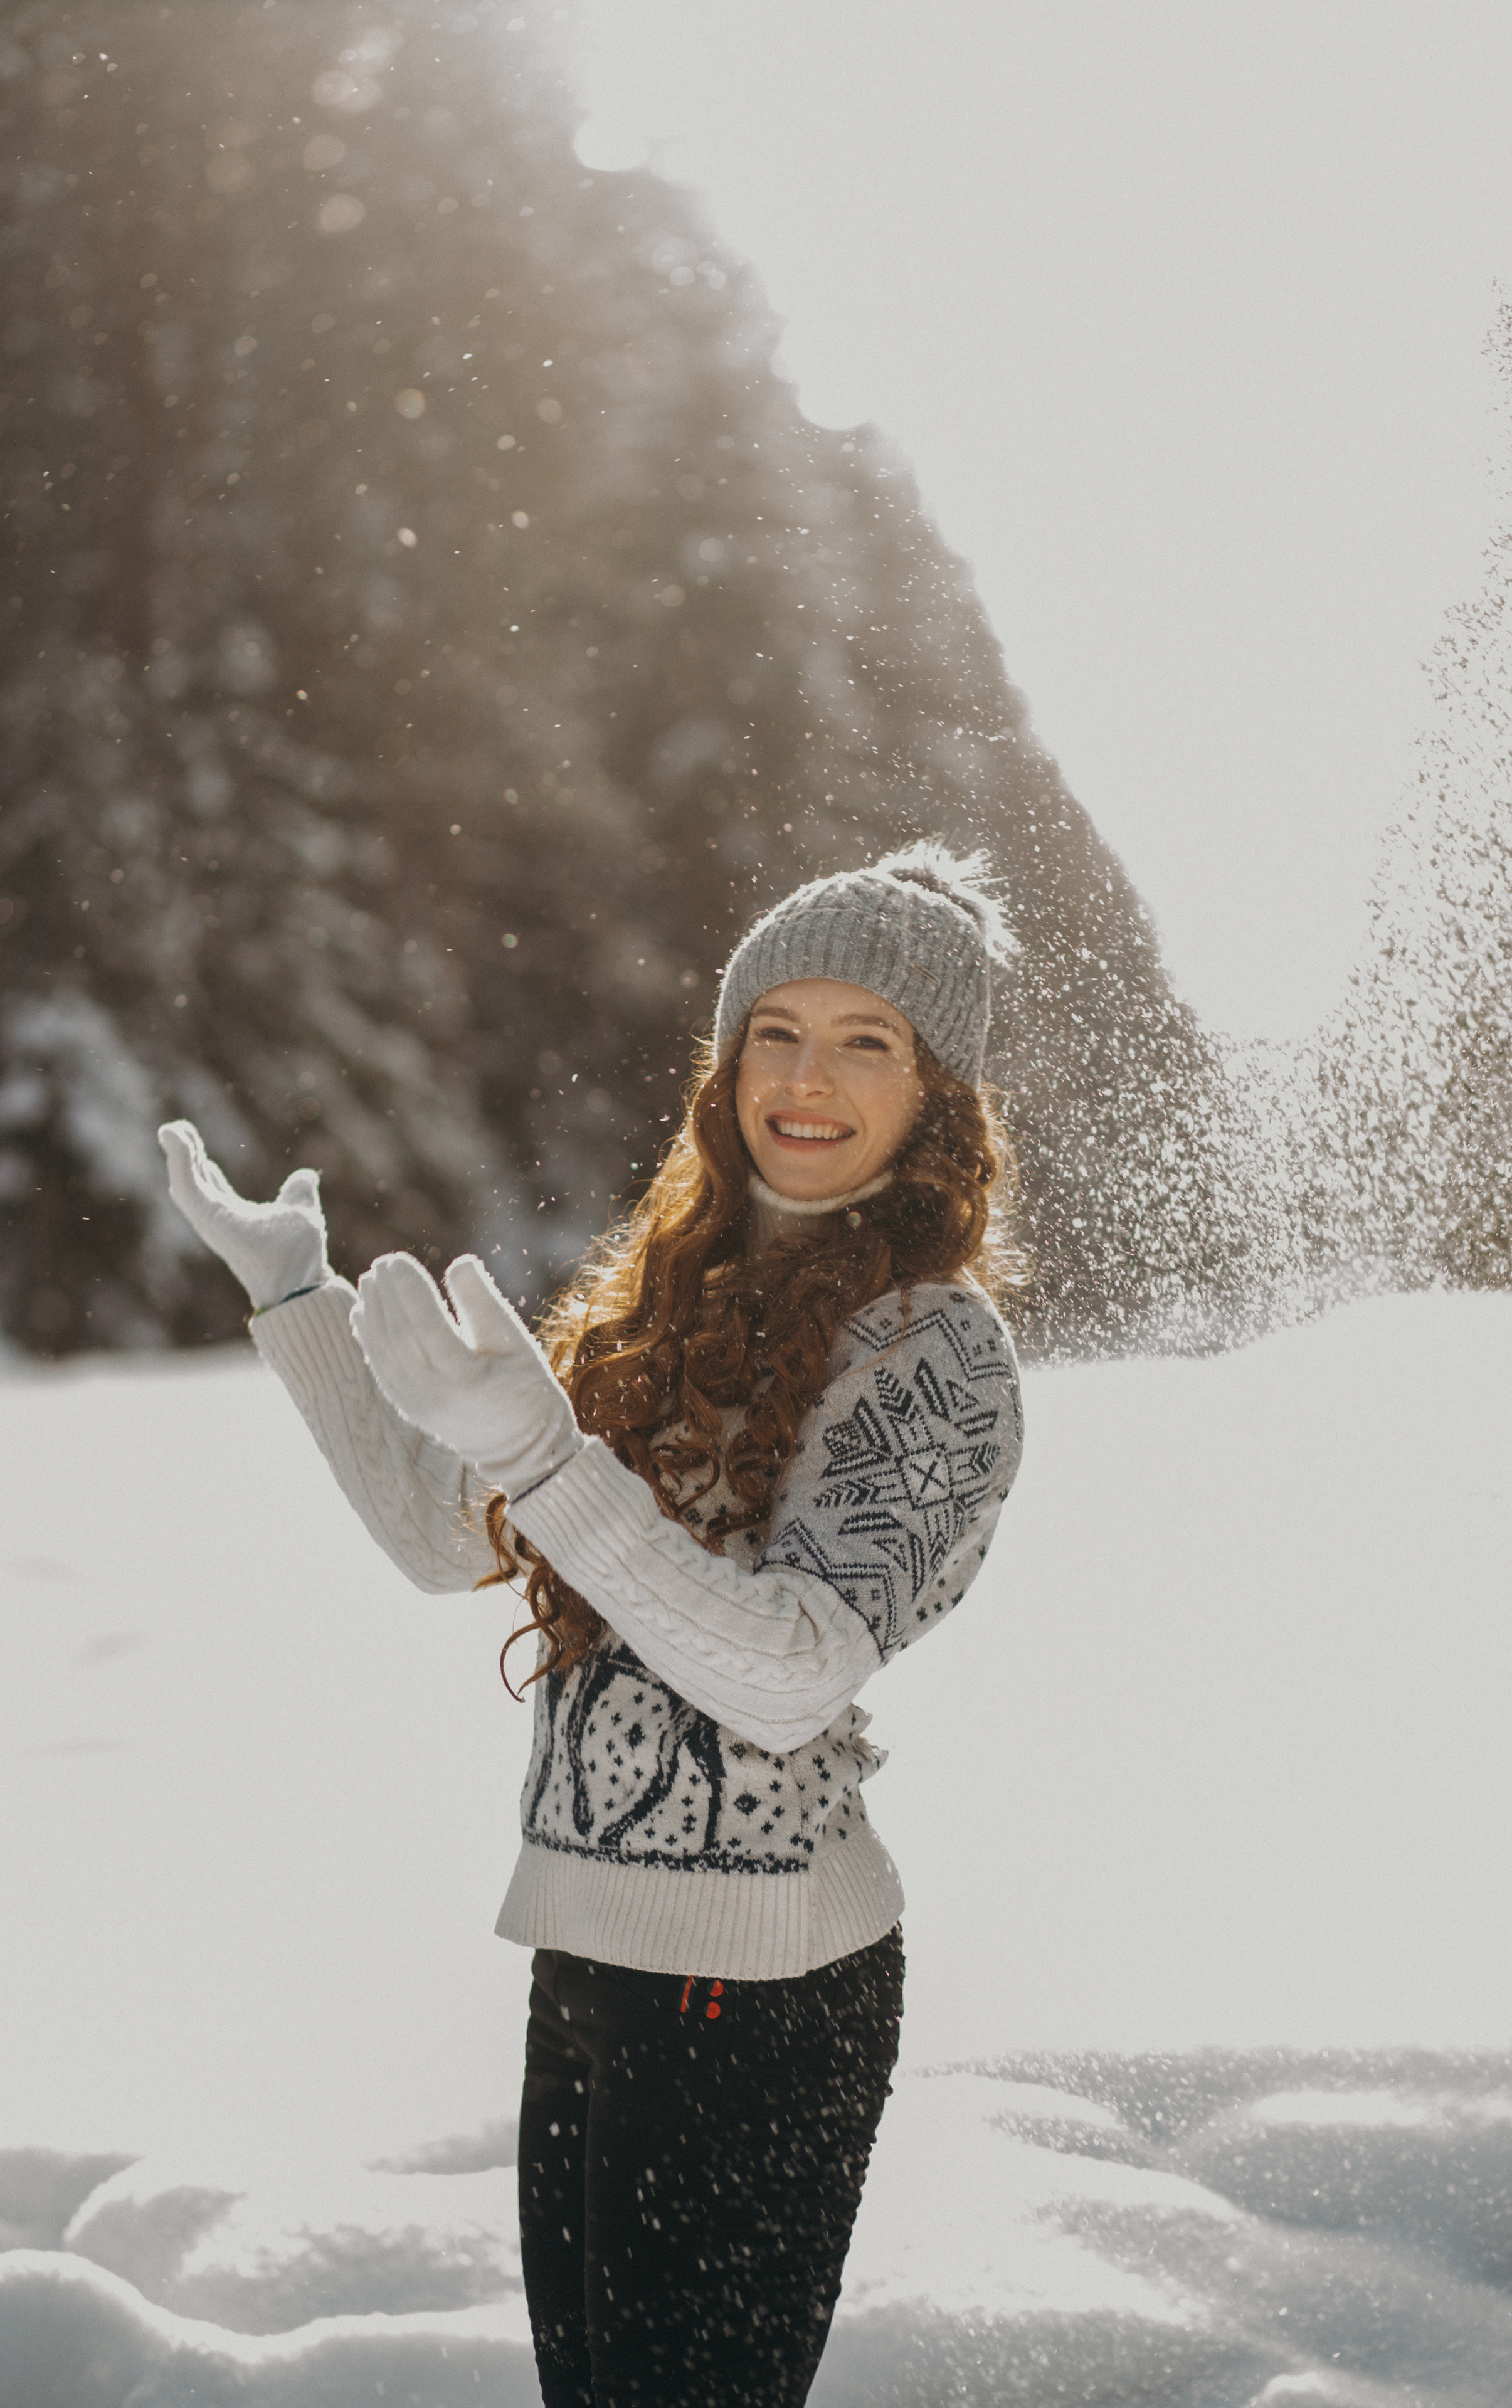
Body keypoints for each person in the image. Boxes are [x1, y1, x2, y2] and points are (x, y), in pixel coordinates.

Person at [159, 842, 1025, 2407]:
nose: (804, 1077)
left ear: (935, 1095)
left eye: (864, 1041)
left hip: (759, 1997)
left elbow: (791, 1670)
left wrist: (550, 1456)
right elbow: (448, 1538)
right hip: (584, 1952)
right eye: (774, 1028)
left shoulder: (934, 1353)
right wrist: (300, 1309)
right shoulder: (660, 1294)